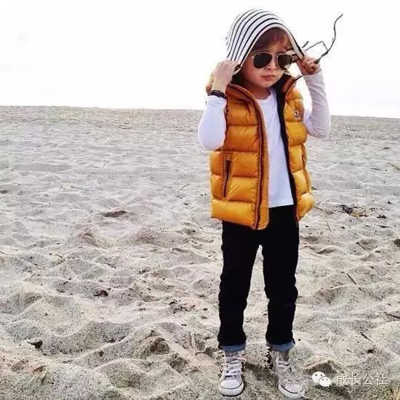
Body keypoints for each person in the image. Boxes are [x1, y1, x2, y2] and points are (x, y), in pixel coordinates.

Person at [197, 8, 331, 399]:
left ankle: (280, 352)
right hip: (240, 211)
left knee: (283, 287)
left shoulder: (288, 96)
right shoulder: (226, 98)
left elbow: (321, 128)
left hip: (285, 211)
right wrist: (218, 88)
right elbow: (208, 140)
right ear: (241, 57)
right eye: (262, 58)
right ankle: (232, 353)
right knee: (234, 286)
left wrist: (314, 79)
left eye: (282, 58)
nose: (273, 67)